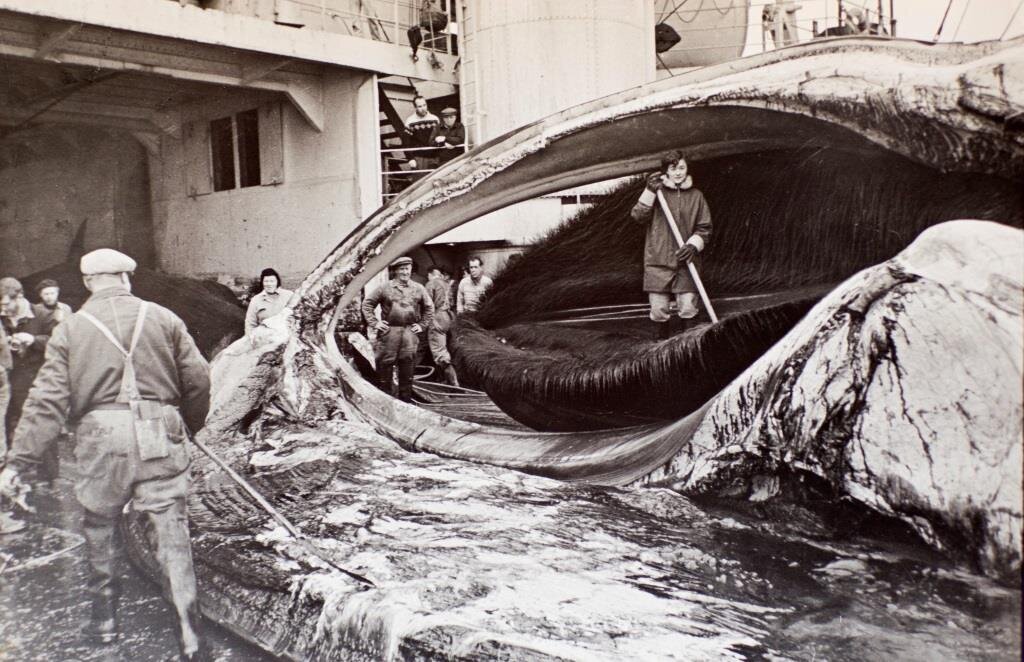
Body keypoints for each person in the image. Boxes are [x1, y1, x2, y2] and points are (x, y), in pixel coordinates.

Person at [0, 248, 212, 660]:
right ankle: (190, 638)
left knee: (101, 527)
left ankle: (104, 627)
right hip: (161, 431)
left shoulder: (72, 328)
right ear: (126, 278)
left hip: (101, 439)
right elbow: (199, 379)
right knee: (172, 536)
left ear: (87, 283)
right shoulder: (164, 318)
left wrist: (19, 462)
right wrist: (190, 423)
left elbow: (47, 402)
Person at [630, 150, 712, 339]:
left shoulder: (696, 196)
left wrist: (693, 246)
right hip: (657, 262)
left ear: (687, 170)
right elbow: (638, 216)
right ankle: (662, 350)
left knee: (688, 307)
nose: (678, 173)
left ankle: (688, 348)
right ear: (666, 171)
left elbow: (705, 228)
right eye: (673, 168)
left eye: (682, 168)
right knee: (659, 310)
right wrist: (649, 191)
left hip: (686, 263)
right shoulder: (657, 193)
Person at [361, 256, 434, 402]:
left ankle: (405, 402)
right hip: (389, 333)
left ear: (411, 269)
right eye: (401, 269)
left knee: (407, 368)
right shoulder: (384, 288)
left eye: (407, 268)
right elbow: (367, 304)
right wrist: (375, 323)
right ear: (395, 271)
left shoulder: (418, 288)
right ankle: (386, 401)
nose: (405, 272)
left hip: (409, 333)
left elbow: (429, 308)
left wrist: (421, 325)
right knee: (385, 367)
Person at [425, 266, 459, 387]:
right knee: (448, 350)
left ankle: (455, 385)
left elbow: (427, 305)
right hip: (450, 317)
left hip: (437, 317)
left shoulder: (431, 284)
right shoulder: (447, 284)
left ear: (430, 274)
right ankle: (446, 381)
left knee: (440, 354)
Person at [245, 268, 293, 337]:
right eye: (266, 281)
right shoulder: (255, 300)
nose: (269, 284)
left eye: (272, 281)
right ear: (262, 283)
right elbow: (250, 324)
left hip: (287, 337)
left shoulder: (289, 295)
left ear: (277, 282)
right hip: (265, 340)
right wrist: (250, 339)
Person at [404, 95, 440, 172]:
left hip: (434, 157)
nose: (423, 108)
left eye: (424, 105)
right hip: (418, 158)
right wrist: (410, 158)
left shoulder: (435, 119)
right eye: (420, 106)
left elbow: (440, 137)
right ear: (415, 108)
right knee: (420, 180)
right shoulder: (410, 121)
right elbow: (406, 142)